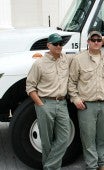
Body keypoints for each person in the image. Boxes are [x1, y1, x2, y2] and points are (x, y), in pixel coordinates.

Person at [68, 31, 104, 170]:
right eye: (93, 39)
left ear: (102, 42)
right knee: (88, 138)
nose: (96, 42)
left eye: (98, 40)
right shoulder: (78, 59)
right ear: (88, 42)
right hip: (86, 106)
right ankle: (91, 165)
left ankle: (103, 163)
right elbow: (71, 82)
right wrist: (75, 99)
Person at [26, 33, 71, 170]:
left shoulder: (66, 59)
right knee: (46, 142)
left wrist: (101, 41)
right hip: (45, 104)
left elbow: (83, 55)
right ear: (48, 45)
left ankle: (49, 167)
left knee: (64, 137)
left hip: (62, 103)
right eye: (55, 43)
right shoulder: (39, 64)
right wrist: (40, 104)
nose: (59, 46)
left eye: (60, 44)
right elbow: (30, 87)